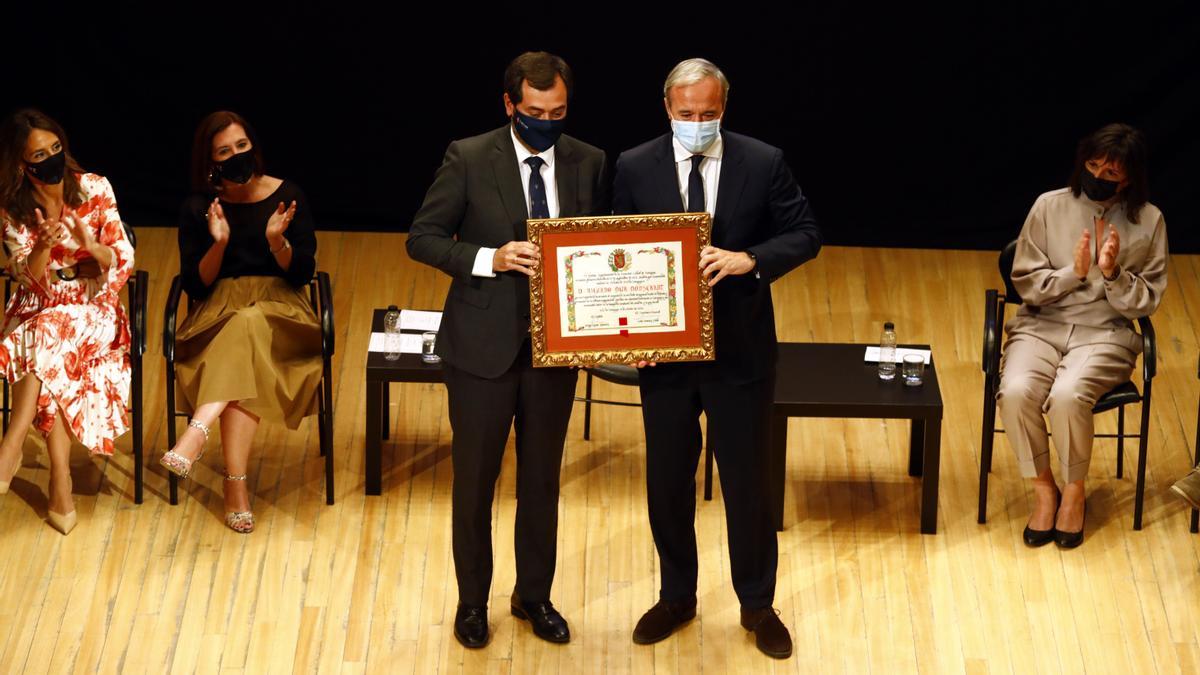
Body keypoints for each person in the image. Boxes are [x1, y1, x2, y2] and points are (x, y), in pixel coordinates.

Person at [612, 58, 821, 659]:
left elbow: (804, 232)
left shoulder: (763, 161)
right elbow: (614, 249)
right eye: (686, 115)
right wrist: (627, 337)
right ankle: (677, 596)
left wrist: (749, 258)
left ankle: (757, 604)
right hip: (666, 358)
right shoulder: (634, 165)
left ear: (723, 109)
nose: (697, 124)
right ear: (667, 110)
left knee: (748, 486)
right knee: (666, 485)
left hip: (741, 353)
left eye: (708, 114)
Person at [406, 51, 608, 649]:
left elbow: (602, 251)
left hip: (553, 352)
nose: (548, 120)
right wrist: (486, 259)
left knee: (542, 481)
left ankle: (533, 596)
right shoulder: (468, 157)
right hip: (481, 349)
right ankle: (473, 604)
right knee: (475, 483)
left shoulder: (589, 162)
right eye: (536, 111)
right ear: (510, 105)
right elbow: (423, 238)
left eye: (559, 111)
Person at [997, 123, 1166, 549]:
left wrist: (1112, 274)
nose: (1099, 176)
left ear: (1129, 177)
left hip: (1105, 333)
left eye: (1110, 174)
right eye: (1093, 166)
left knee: (1069, 395)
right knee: (1016, 390)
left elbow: (1147, 298)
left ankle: (1074, 492)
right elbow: (1024, 280)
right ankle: (1044, 488)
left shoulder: (1149, 221)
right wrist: (1073, 272)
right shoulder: (1048, 206)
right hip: (1042, 323)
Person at [160, 111, 322, 534]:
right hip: (218, 312)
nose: (237, 156)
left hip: (281, 312)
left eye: (242, 146)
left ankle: (197, 432)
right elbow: (196, 282)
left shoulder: (288, 195)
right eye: (225, 152)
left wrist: (276, 242)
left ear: (254, 146)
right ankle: (235, 488)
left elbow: (303, 272)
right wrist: (220, 243)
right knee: (242, 344)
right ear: (210, 161)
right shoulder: (200, 207)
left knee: (249, 323)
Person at [0, 108, 135, 535]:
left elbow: (124, 259)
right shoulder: (10, 208)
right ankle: (61, 476)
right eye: (40, 154)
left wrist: (92, 248)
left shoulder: (94, 187)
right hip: (38, 309)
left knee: (47, 334)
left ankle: (12, 443)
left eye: (56, 147)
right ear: (23, 165)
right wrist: (41, 247)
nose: (52, 158)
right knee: (47, 335)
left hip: (94, 310)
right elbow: (27, 281)